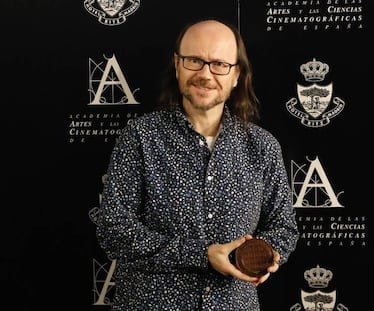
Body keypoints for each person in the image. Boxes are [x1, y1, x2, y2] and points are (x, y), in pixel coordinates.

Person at [96, 18, 299, 311]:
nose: (205, 74)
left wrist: (263, 254)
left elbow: (284, 228)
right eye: (194, 61)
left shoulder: (263, 146)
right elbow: (113, 230)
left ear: (236, 75)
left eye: (219, 64)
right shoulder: (140, 136)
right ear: (177, 65)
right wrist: (203, 255)